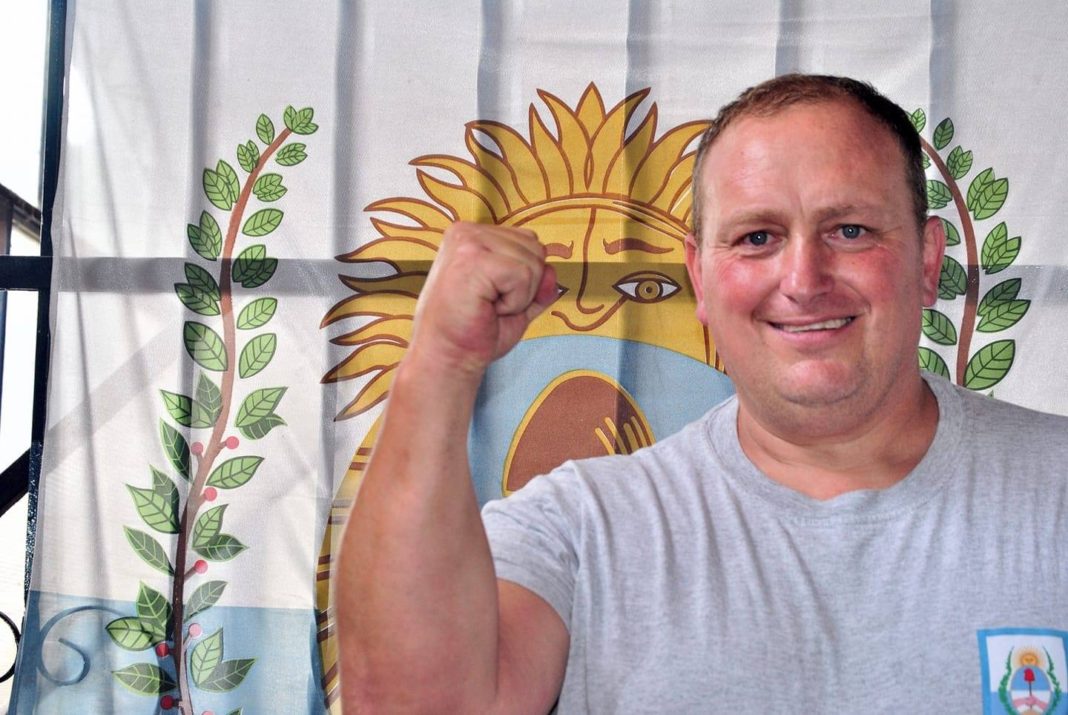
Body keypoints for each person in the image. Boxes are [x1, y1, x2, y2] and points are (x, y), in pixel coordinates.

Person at [335, 75, 1068, 712]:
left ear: (929, 261)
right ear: (700, 280)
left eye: (849, 230)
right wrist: (439, 362)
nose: (803, 280)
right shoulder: (583, 528)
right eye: (757, 238)